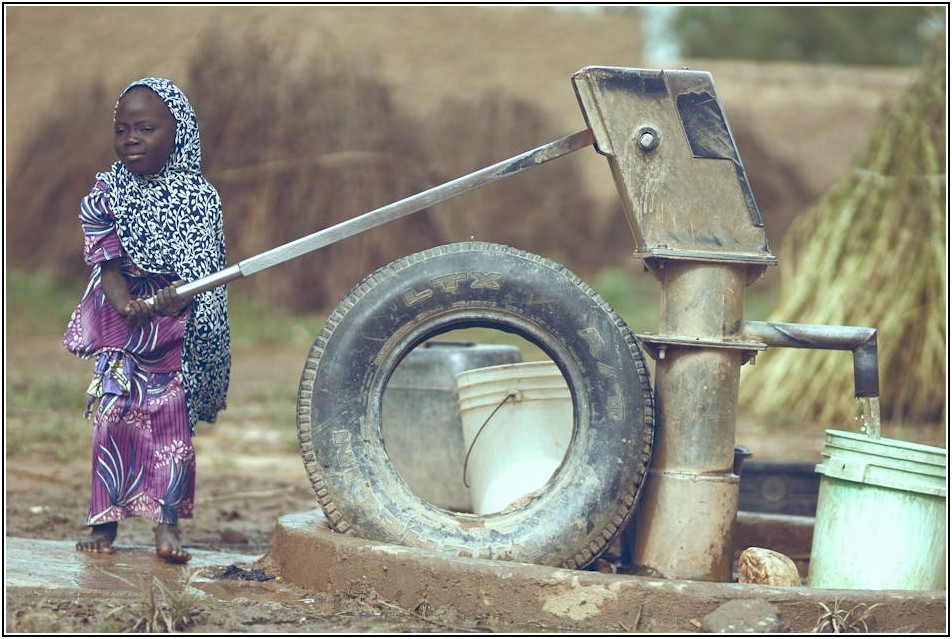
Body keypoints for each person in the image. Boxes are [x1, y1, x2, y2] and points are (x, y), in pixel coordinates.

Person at [64, 77, 230, 563]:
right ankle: (104, 523)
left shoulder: (200, 198)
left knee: (170, 427)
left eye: (145, 128)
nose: (130, 138)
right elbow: (107, 262)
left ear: (177, 135)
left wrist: (173, 300)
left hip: (177, 333)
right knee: (112, 421)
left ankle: (167, 527)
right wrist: (125, 304)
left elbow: (204, 271)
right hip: (122, 330)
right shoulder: (106, 192)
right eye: (121, 129)